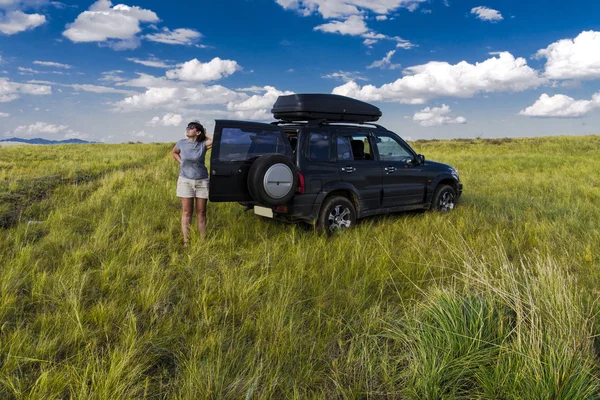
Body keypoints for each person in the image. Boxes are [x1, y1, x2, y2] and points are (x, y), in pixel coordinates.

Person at [171, 121, 213, 246]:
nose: (188, 129)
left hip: (202, 181)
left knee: (201, 212)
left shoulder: (203, 145)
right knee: (187, 212)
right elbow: (174, 152)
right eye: (187, 127)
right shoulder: (181, 143)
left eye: (191, 128)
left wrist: (204, 133)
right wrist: (181, 162)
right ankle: (186, 241)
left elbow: (217, 139)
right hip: (185, 181)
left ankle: (202, 241)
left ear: (198, 132)